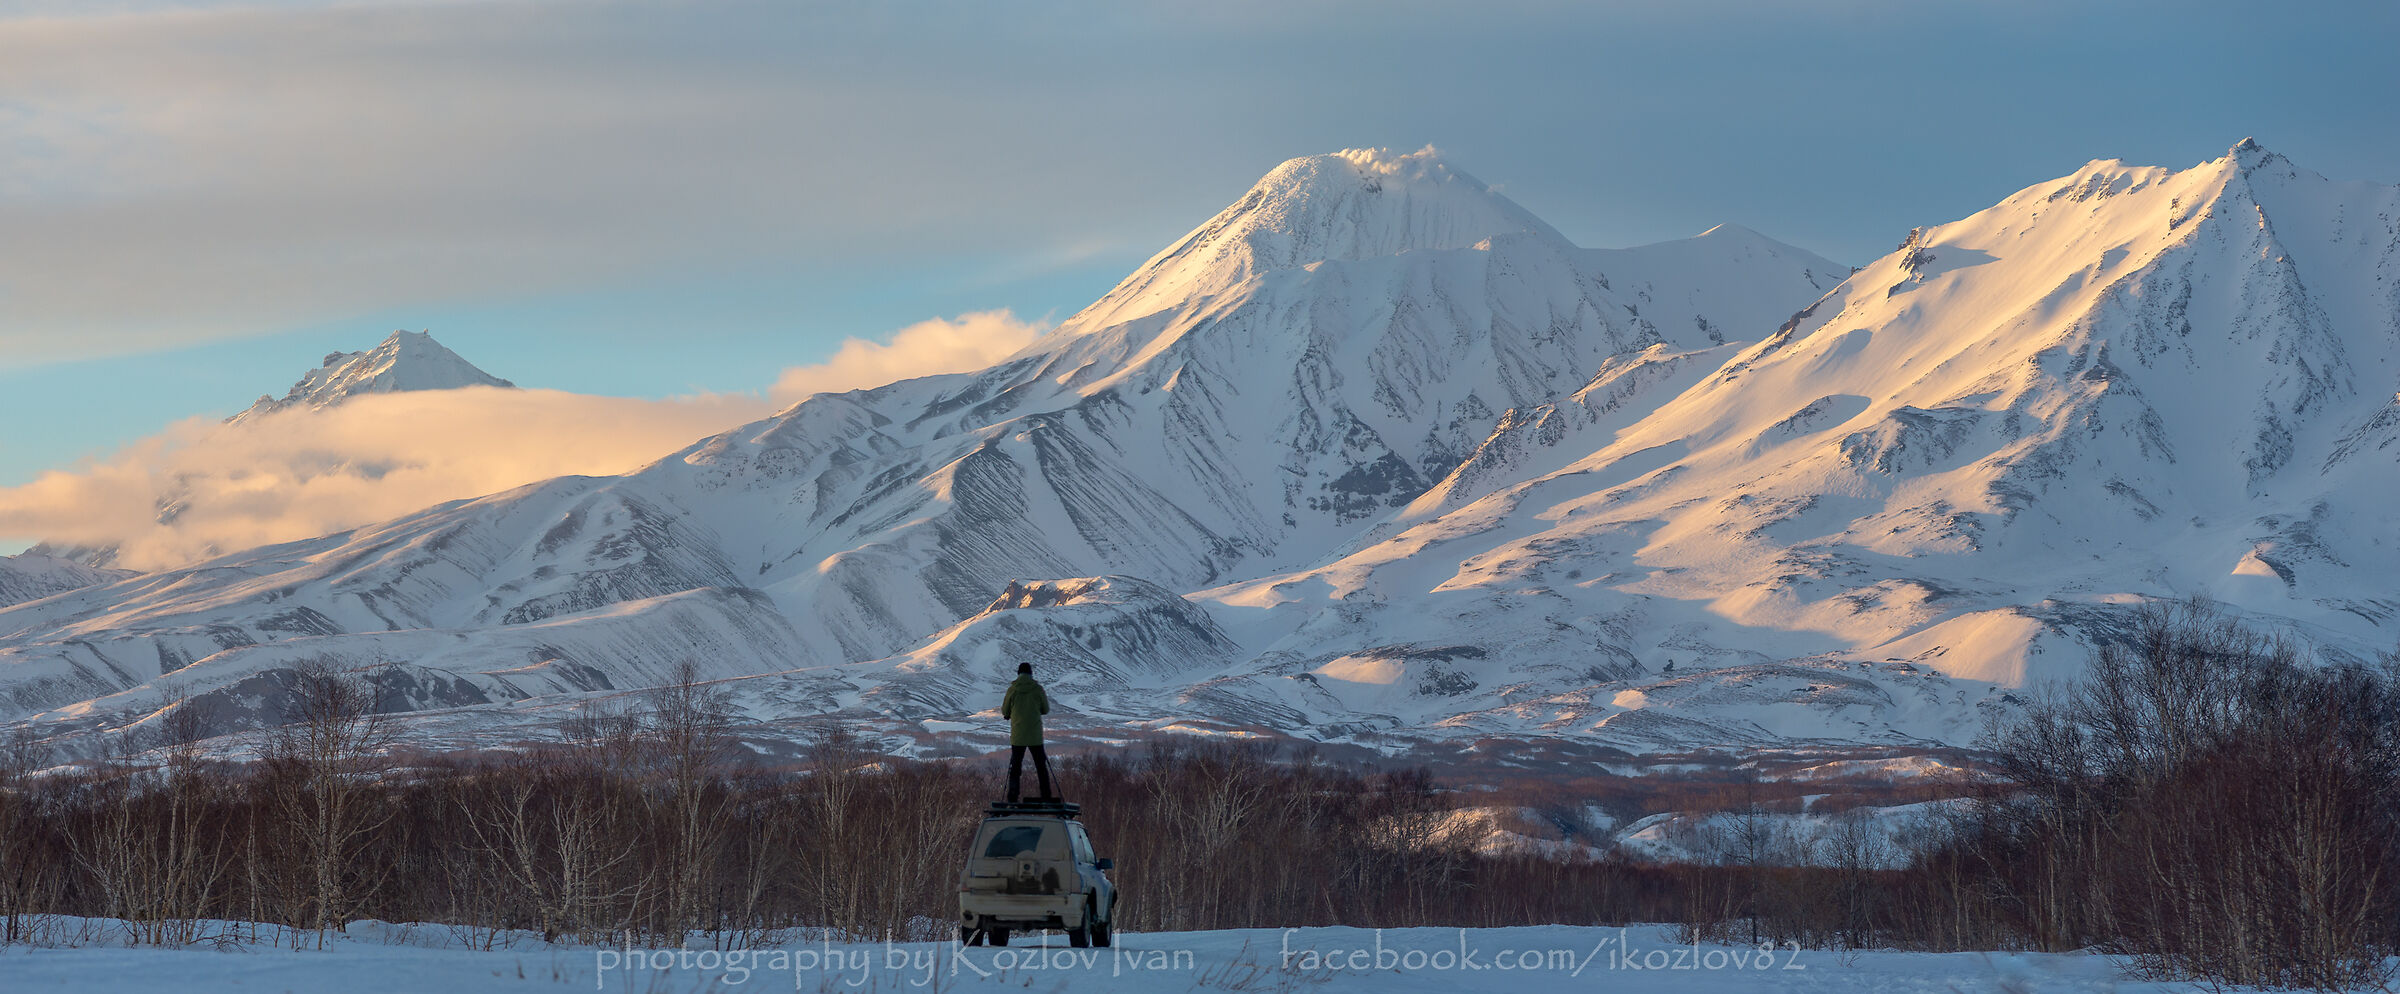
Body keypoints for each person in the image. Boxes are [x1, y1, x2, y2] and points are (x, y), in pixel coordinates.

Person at [1001, 662, 1055, 802]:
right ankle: (1046, 795)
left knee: (1015, 767)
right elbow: (1046, 709)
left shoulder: (1012, 689)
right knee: (1041, 766)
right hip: (1035, 735)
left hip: (1018, 736)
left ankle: (1013, 796)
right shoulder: (1037, 689)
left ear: (1018, 674)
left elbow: (1005, 711)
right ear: (1031, 674)